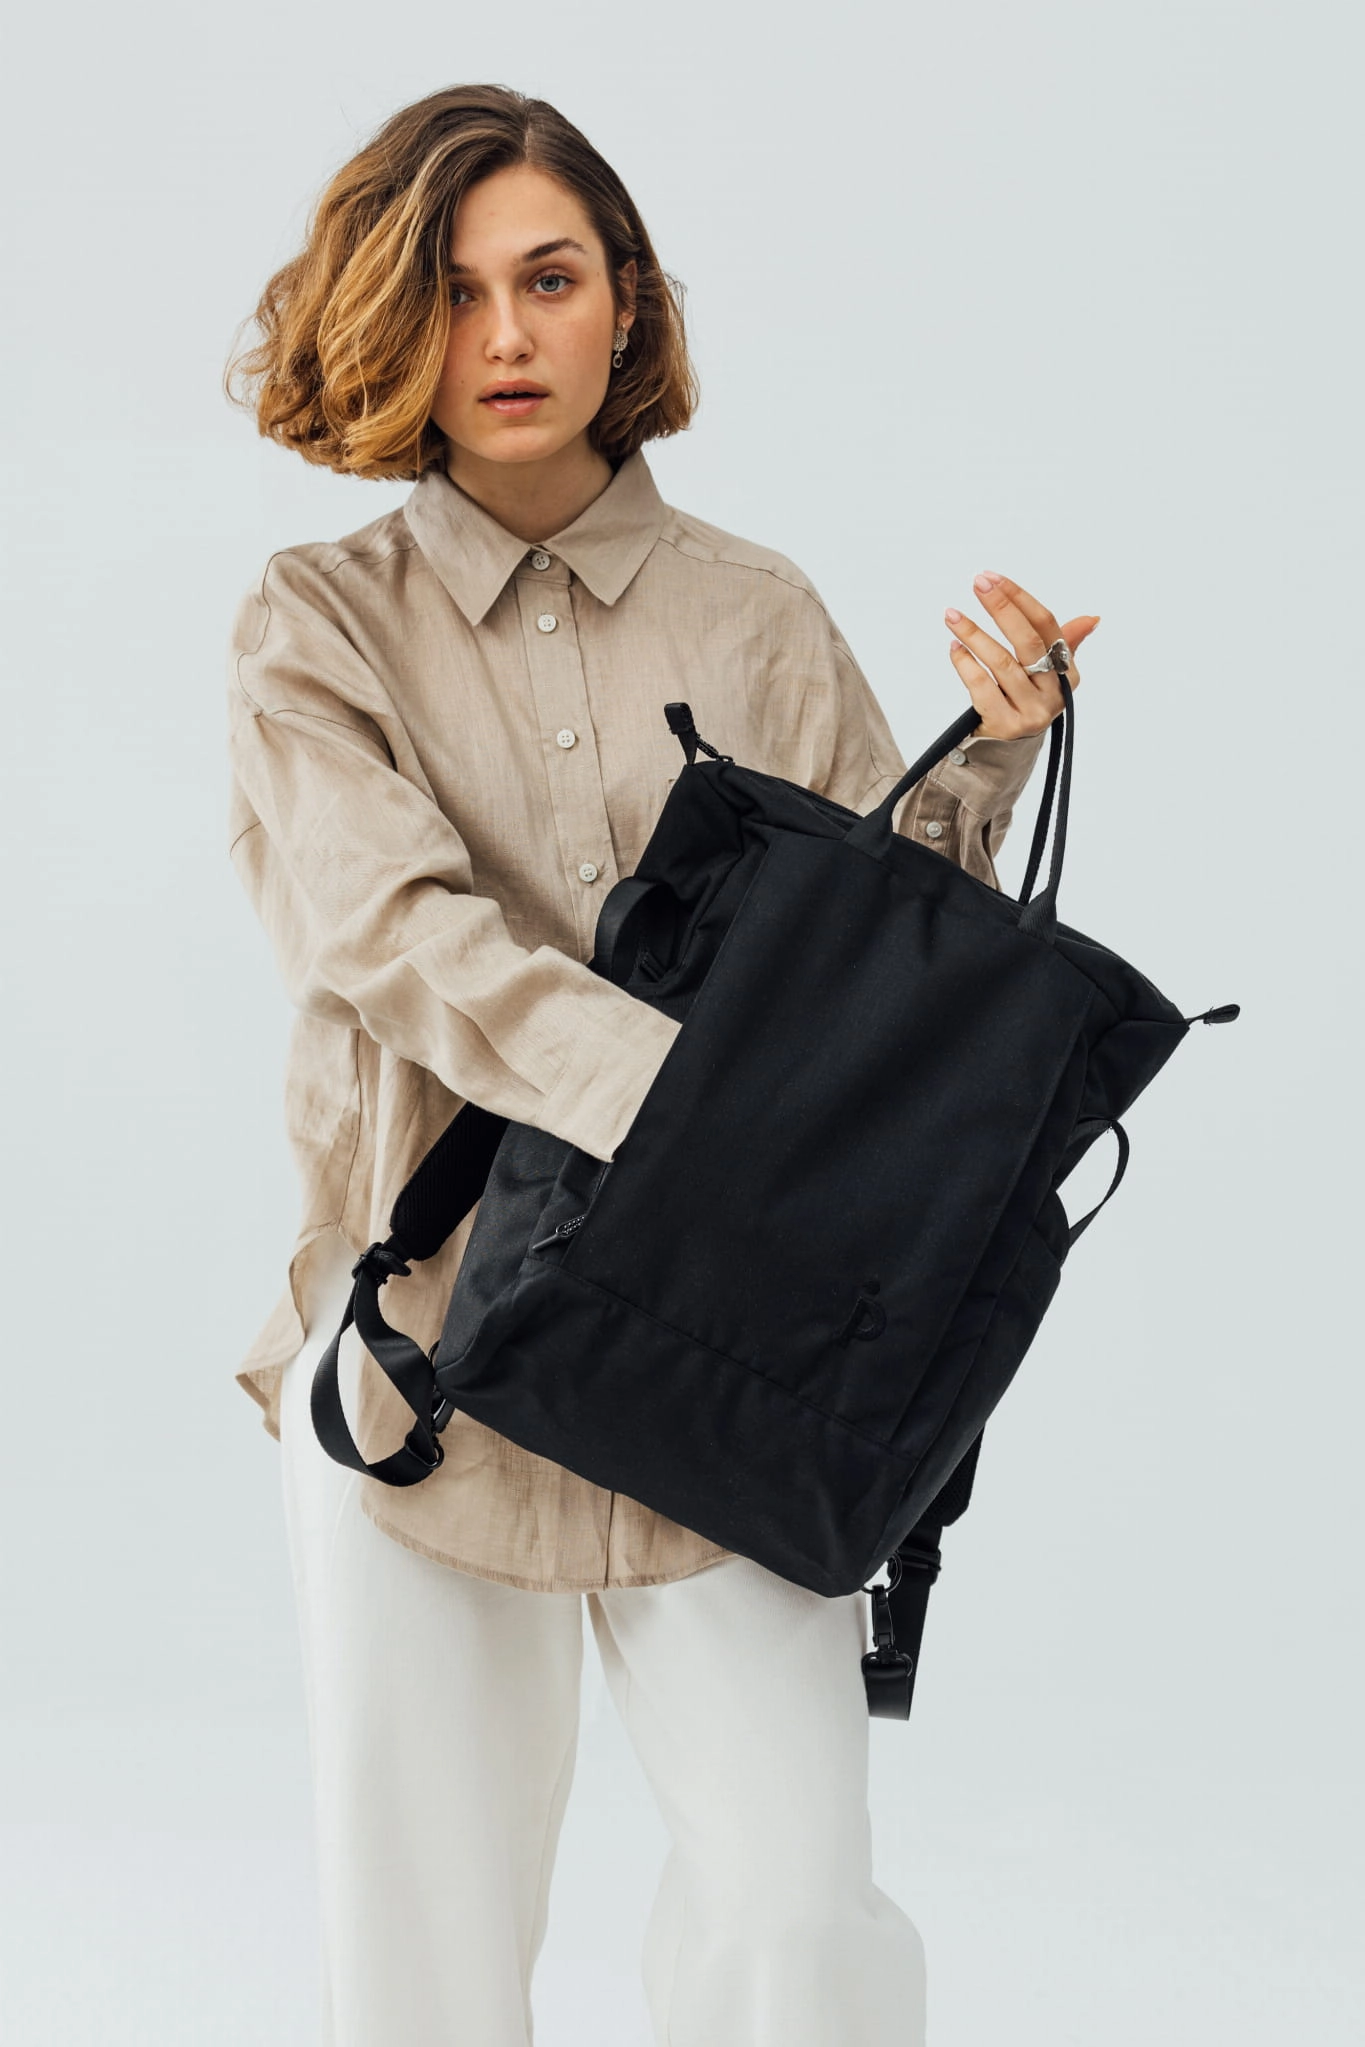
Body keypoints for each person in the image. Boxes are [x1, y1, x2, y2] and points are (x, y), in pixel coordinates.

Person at [222, 81, 1095, 2047]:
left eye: (549, 279)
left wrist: (992, 755)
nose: (505, 335)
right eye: (452, 292)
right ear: (387, 320)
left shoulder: (753, 611)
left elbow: (874, 966)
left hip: (727, 1352)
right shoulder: (317, 626)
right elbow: (392, 938)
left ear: (626, 299)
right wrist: (699, 1112)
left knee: (798, 1919)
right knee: (427, 1970)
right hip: (424, 1356)